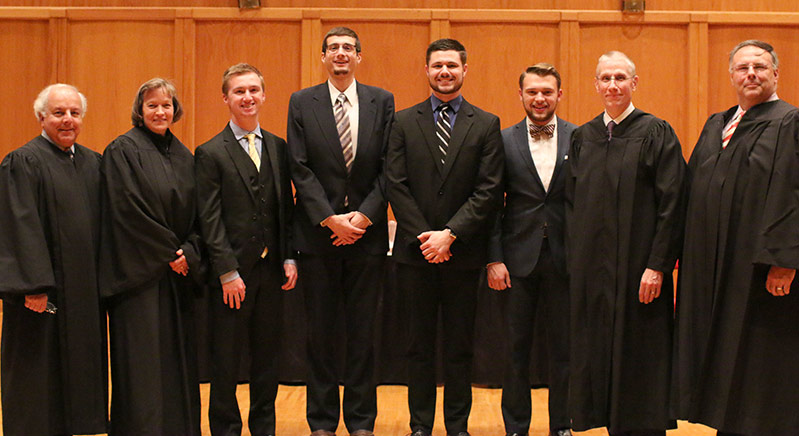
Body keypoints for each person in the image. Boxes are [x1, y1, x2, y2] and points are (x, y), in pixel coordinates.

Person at [674, 40, 799, 436]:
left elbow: (791, 192)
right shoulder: (718, 123)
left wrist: (784, 260)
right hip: (713, 268)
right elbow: (692, 188)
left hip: (759, 271)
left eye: (760, 67)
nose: (751, 74)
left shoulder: (789, 123)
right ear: (731, 75)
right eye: (743, 67)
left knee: (760, 359)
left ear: (776, 74)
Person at [386, 38, 504, 436]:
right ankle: (420, 425)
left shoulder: (486, 124)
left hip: (462, 253)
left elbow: (488, 190)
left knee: (459, 348)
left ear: (465, 70)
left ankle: (457, 426)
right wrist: (426, 237)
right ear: (426, 71)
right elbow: (395, 184)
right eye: (437, 65)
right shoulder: (402, 121)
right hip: (414, 254)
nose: (445, 72)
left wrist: (450, 235)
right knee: (417, 348)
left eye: (452, 65)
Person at [566, 51, 685, 436]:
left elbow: (673, 203)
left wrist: (658, 265)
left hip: (639, 272)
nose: (612, 85)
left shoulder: (655, 132)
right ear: (596, 84)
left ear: (634, 83)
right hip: (593, 274)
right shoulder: (583, 137)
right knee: (595, 349)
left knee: (639, 351)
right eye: (605, 78)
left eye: (620, 77)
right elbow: (571, 205)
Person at [286, 26, 394, 436]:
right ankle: (322, 421)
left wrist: (363, 218)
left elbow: (390, 167)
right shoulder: (302, 102)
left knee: (364, 335)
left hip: (367, 237)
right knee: (321, 334)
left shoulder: (381, 101)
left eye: (348, 48)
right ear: (323, 57)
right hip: (319, 237)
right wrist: (330, 219)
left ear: (359, 56)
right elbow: (299, 166)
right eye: (333, 48)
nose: (341, 54)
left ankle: (362, 421)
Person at [195, 63, 297, 436]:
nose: (247, 97)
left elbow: (286, 206)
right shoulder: (209, 153)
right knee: (227, 358)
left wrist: (288, 255)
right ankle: (225, 428)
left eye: (254, 90)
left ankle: (264, 427)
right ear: (226, 98)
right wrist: (226, 271)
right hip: (232, 277)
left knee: (267, 358)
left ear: (264, 95)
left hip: (271, 273)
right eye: (239, 91)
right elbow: (209, 219)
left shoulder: (278, 146)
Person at [0, 84, 107, 436]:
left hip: (82, 295)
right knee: (37, 380)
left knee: (78, 380)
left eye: (75, 113)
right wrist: (34, 286)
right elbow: (19, 227)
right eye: (59, 113)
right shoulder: (23, 162)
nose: (67, 120)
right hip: (40, 297)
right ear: (41, 117)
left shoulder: (92, 163)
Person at [100, 78, 203, 436]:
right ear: (139, 111)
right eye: (152, 106)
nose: (160, 112)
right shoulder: (122, 151)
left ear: (175, 110)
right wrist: (169, 253)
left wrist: (189, 251)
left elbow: (200, 212)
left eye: (166, 105)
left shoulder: (184, 154)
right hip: (139, 279)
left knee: (178, 364)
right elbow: (127, 211)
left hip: (178, 277)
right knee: (143, 368)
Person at [487, 63, 574, 436]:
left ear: (559, 95)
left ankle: (562, 427)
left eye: (547, 92)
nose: (540, 98)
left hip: (566, 259)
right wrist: (494, 258)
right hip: (516, 259)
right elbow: (490, 204)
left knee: (565, 352)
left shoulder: (580, 137)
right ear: (520, 94)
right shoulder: (502, 140)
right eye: (533, 92)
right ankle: (516, 427)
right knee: (515, 352)